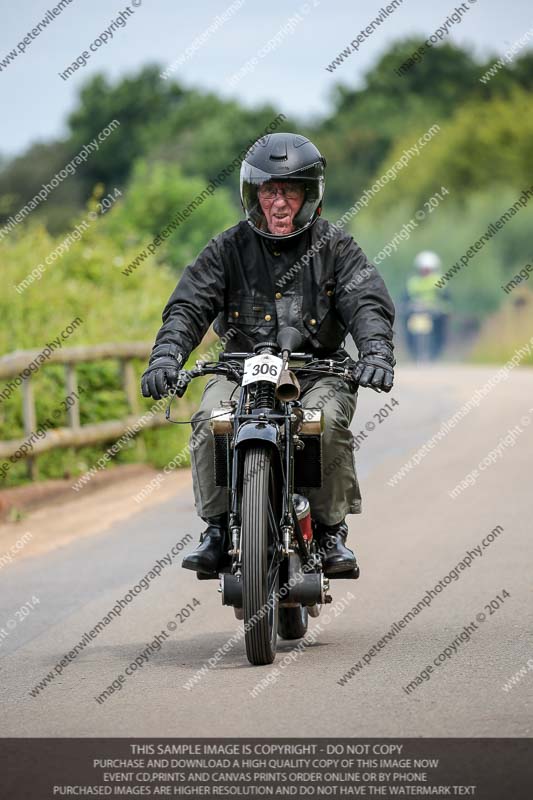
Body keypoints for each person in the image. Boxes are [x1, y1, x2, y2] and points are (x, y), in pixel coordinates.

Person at [141, 132, 395, 576]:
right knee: (210, 419)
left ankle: (331, 531)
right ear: (254, 194)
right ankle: (217, 529)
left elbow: (367, 303)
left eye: (290, 191)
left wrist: (375, 352)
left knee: (323, 423)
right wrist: (165, 358)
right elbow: (188, 306)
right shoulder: (226, 248)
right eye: (270, 191)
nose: (279, 203)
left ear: (310, 195)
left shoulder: (337, 248)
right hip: (240, 367)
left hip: (318, 372)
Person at [404, 251, 450, 359]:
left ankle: (436, 352)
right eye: (423, 269)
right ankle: (413, 352)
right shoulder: (413, 281)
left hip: (434, 311)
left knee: (440, 328)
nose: (425, 271)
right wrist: (406, 306)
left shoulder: (439, 280)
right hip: (417, 311)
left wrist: (443, 307)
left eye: (427, 269)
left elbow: (446, 297)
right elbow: (406, 297)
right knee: (408, 327)